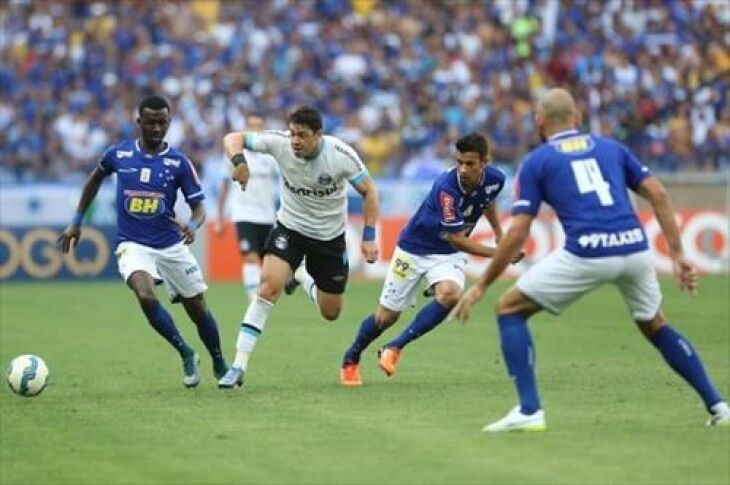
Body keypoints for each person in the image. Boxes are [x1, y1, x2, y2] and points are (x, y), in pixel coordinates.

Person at [453, 88, 730, 431]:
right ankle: (719, 405)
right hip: (634, 248)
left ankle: (529, 410)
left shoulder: (537, 162)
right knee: (655, 324)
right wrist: (677, 254)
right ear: (578, 118)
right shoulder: (611, 148)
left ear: (539, 121)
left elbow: (518, 232)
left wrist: (481, 286)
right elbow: (657, 193)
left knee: (509, 309)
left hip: (587, 251)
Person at [58, 95, 228, 387]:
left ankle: (219, 362)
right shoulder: (119, 155)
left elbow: (199, 207)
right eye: (151, 122)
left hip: (171, 245)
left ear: (169, 123)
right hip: (133, 244)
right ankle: (185, 352)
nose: (157, 128)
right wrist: (76, 222)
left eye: (163, 122)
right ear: (139, 122)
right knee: (146, 295)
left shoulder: (179, 162)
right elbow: (94, 180)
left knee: (197, 308)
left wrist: (194, 225)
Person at [217, 106, 380, 389]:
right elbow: (232, 138)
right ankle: (238, 366)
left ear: (318, 135)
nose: (295, 141)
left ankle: (302, 276)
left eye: (302, 136)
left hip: (329, 239)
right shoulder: (279, 142)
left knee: (331, 313)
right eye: (292, 133)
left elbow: (369, 191)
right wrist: (240, 162)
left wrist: (368, 236)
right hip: (289, 229)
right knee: (267, 288)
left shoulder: (341, 155)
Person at [339, 133, 519, 386]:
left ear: (484, 162)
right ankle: (351, 358)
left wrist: (500, 235)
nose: (464, 169)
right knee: (386, 317)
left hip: (446, 255)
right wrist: (502, 253)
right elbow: (457, 239)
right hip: (414, 249)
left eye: (470, 163)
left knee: (451, 294)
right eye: (460, 162)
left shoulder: (495, 179)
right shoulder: (447, 188)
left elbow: (486, 201)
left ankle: (395, 347)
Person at [214, 114, 278, 301]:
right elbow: (225, 186)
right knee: (250, 258)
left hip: (267, 215)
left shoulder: (270, 155)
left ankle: (267, 292)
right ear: (245, 128)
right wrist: (219, 217)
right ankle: (253, 300)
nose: (255, 130)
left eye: (259, 126)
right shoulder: (234, 153)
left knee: (269, 263)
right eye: (252, 126)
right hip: (244, 213)